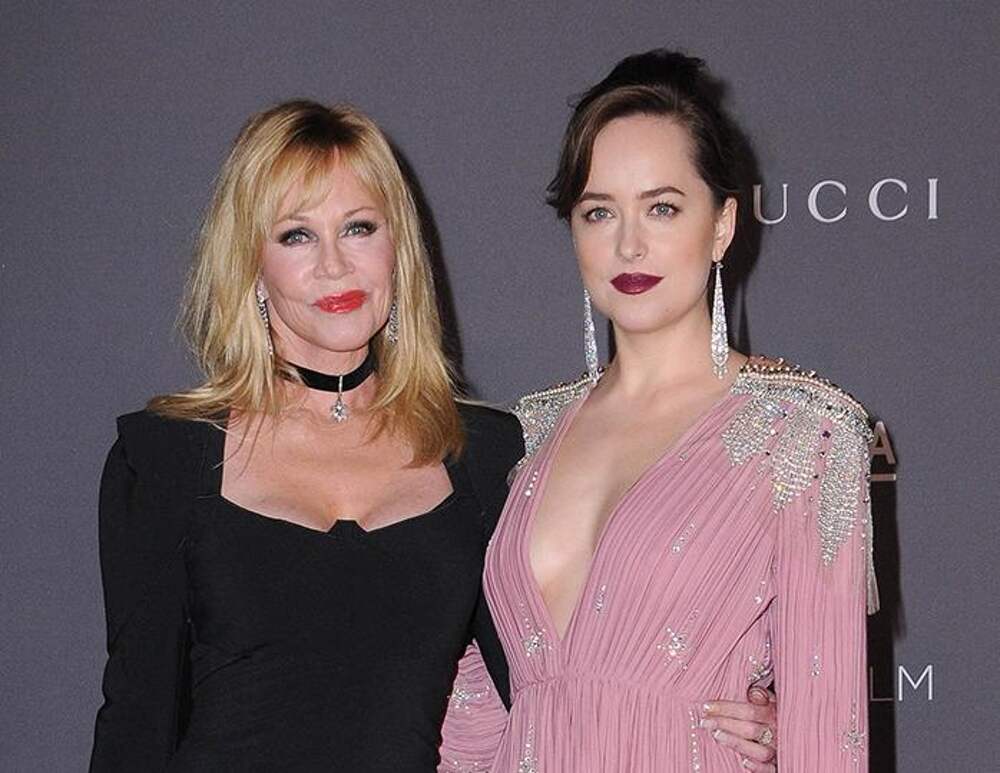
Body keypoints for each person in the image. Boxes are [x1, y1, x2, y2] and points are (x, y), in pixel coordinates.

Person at [90, 99, 777, 771]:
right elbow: (136, 720)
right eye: (296, 235)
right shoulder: (166, 457)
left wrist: (738, 709)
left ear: (397, 247)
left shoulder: (482, 452)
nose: (334, 264)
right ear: (251, 265)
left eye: (359, 228)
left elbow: (556, 677)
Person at [440, 50, 876, 771]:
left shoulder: (805, 435)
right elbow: (477, 714)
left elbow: (829, 736)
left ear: (723, 225)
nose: (629, 243)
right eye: (599, 212)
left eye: (662, 207)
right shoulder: (525, 438)